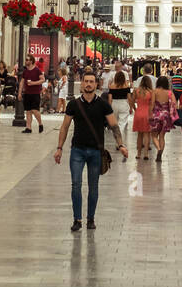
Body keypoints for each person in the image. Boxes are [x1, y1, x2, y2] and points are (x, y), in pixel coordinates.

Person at [53, 70, 128, 231]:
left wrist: (121, 145)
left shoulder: (103, 105)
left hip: (95, 151)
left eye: (91, 81)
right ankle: (77, 219)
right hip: (77, 150)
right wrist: (59, 148)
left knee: (93, 186)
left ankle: (91, 218)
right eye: (86, 81)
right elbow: (65, 127)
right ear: (82, 86)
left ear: (96, 84)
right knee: (76, 185)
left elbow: (114, 126)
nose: (88, 84)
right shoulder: (74, 104)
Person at [150, 76, 178, 163]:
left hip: (156, 115)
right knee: (162, 136)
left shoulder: (155, 91)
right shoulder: (170, 92)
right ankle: (160, 153)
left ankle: (158, 148)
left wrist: (149, 113)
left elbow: (152, 104)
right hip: (166, 116)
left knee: (154, 135)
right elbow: (175, 104)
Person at [19, 56, 46, 134]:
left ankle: (40, 124)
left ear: (31, 61)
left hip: (35, 93)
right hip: (27, 93)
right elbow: (22, 82)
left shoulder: (37, 70)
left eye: (27, 60)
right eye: (26, 59)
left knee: (35, 110)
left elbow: (43, 79)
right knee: (28, 111)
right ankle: (28, 128)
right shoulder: (25, 71)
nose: (26, 61)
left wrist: (33, 83)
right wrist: (19, 93)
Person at [108, 69, 132, 153]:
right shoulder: (126, 86)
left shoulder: (112, 86)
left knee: (115, 124)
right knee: (122, 123)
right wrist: (131, 107)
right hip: (123, 104)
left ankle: (117, 142)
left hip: (114, 104)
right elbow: (129, 98)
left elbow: (110, 99)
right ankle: (119, 143)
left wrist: (109, 108)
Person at [132, 74, 154, 160]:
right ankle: (146, 154)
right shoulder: (151, 92)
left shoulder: (137, 91)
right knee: (147, 135)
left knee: (139, 135)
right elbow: (152, 104)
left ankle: (138, 154)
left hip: (138, 112)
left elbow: (132, 101)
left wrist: (135, 109)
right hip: (147, 113)